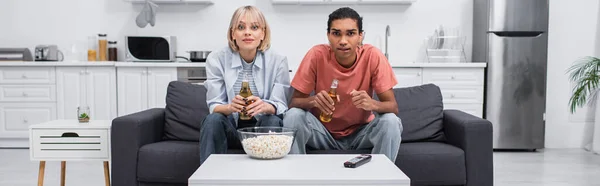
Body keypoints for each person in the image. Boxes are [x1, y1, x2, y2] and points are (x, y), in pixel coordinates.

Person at [283, 7, 403, 162]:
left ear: (361, 36)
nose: (343, 41)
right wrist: (314, 101)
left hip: (362, 133)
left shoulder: (373, 56)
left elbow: (393, 107)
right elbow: (294, 103)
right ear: (328, 36)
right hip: (322, 133)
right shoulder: (316, 55)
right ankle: (297, 177)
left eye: (351, 33)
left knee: (391, 122)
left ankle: (380, 180)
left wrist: (372, 104)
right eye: (336, 33)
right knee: (293, 116)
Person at [200, 5, 291, 165]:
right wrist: (230, 108)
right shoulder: (216, 59)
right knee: (212, 120)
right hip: (231, 128)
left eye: (254, 27)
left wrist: (264, 106)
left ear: (263, 33)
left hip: (261, 127)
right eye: (241, 27)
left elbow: (281, 105)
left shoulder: (278, 60)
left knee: (272, 120)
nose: (247, 32)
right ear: (232, 33)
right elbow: (214, 105)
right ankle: (209, 178)